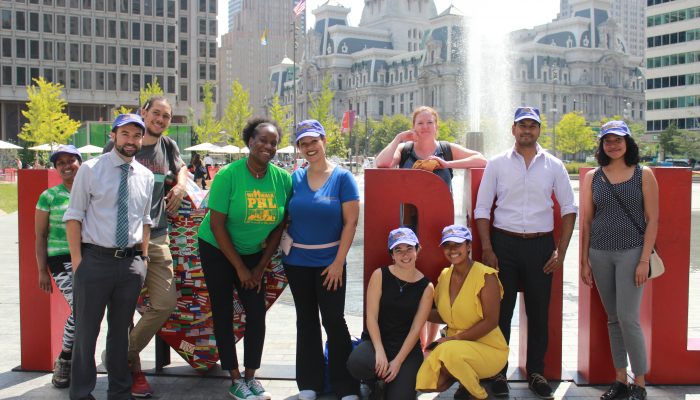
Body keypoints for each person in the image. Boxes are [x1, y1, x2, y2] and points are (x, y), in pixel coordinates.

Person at [474, 106, 577, 399]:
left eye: (533, 125)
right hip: (503, 245)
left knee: (538, 312)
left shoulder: (554, 165)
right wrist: (487, 247)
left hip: (540, 246)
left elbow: (569, 209)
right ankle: (497, 372)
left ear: (539, 130)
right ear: (513, 129)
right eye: (522, 125)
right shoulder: (496, 164)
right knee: (500, 313)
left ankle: (536, 372)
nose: (527, 130)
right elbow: (483, 209)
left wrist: (561, 251)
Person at [375, 106, 487, 348]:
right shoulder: (405, 150)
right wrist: (397, 139)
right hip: (408, 228)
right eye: (419, 123)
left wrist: (444, 164)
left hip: (438, 225)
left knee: (435, 284)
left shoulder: (445, 149)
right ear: (413, 127)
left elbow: (481, 159)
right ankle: (413, 339)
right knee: (410, 282)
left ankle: (428, 341)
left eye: (429, 122)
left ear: (436, 126)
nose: (424, 127)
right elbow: (381, 164)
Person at [197, 117, 291, 400]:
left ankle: (252, 376)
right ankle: (235, 378)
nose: (267, 146)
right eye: (262, 140)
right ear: (250, 141)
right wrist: (239, 268)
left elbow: (280, 225)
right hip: (217, 248)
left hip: (254, 253)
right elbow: (216, 225)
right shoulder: (228, 175)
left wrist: (259, 267)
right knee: (223, 311)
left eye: (273, 143)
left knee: (256, 314)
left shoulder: (282, 179)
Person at [64, 114, 154, 400]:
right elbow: (74, 216)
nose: (131, 140)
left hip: (130, 264)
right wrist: (79, 264)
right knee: (86, 332)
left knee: (120, 335)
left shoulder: (146, 176)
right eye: (125, 134)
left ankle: (120, 390)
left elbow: (146, 220)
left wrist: (143, 258)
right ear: (113, 135)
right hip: (95, 261)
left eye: (136, 135)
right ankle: (81, 393)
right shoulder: (90, 170)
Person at [103, 96, 188, 398]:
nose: (161, 120)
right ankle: (134, 372)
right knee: (124, 309)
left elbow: (183, 169)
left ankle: (121, 354)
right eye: (156, 114)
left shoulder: (169, 147)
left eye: (166, 116)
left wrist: (179, 183)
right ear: (143, 114)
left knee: (165, 303)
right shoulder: (123, 145)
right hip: (122, 239)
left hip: (158, 236)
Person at [580, 121, 658, 400]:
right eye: (607, 140)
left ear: (628, 143)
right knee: (613, 319)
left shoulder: (643, 174)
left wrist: (643, 260)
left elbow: (652, 220)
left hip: (632, 254)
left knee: (628, 318)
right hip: (599, 254)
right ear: (601, 145)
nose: (613, 145)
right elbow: (587, 222)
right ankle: (620, 381)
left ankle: (640, 383)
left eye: (618, 140)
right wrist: (584, 262)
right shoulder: (593, 177)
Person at [283, 120, 360, 400]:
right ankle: (309, 382)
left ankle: (346, 384)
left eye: (313, 141)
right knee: (306, 321)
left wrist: (339, 262)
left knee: (334, 321)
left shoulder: (343, 178)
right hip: (297, 263)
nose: (309, 147)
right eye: (303, 143)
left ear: (324, 141)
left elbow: (351, 223)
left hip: (331, 263)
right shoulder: (294, 179)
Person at [415, 225, 508, 399]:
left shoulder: (486, 276)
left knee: (448, 351)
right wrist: (416, 311)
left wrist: (453, 339)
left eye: (457, 244)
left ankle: (479, 394)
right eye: (447, 245)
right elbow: (445, 316)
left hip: (489, 349)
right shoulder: (444, 276)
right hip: (455, 348)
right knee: (426, 381)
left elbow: (491, 321)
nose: (452, 250)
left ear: (469, 246)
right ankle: (464, 380)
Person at [346, 228, 434, 400]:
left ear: (417, 250)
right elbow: (371, 316)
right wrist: (379, 350)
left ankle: (389, 383)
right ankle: (375, 381)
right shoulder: (379, 275)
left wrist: (398, 361)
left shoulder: (426, 287)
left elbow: (416, 328)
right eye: (398, 250)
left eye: (409, 248)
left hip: (406, 349)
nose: (405, 254)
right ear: (392, 255)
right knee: (358, 363)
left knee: (400, 397)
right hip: (378, 341)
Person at [34, 144, 83, 389]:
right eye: (60, 162)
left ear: (80, 163)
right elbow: (40, 236)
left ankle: (77, 360)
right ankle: (64, 358)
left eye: (70, 161)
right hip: (60, 259)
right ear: (55, 167)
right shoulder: (48, 196)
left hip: (87, 257)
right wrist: (42, 270)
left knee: (87, 309)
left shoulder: (89, 193)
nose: (66, 166)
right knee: (79, 306)